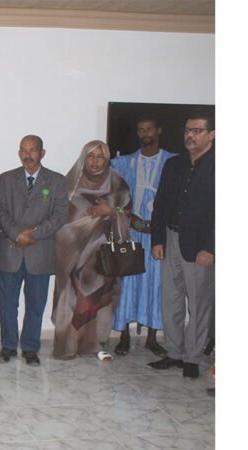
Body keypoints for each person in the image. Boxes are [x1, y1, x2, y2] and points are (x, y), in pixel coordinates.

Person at [51, 140, 133, 361]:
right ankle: (68, 345)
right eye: (91, 156)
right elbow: (58, 218)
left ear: (107, 160)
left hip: (102, 256)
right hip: (71, 254)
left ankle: (94, 344)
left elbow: (129, 216)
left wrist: (111, 211)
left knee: (96, 297)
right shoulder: (69, 183)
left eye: (100, 157)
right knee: (70, 298)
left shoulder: (117, 184)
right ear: (83, 158)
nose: (95, 161)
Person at [148, 112, 215, 379]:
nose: (190, 135)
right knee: (171, 301)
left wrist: (211, 248)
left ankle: (193, 357)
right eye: (188, 130)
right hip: (170, 239)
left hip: (200, 245)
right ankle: (174, 352)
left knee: (198, 305)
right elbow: (160, 204)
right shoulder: (174, 164)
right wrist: (157, 239)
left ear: (212, 134)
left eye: (197, 130)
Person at [0, 135, 68, 366]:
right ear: (19, 153)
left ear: (42, 153)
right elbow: (0, 211)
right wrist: (18, 234)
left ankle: (30, 348)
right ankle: (8, 346)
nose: (28, 155)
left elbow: (60, 215)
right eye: (24, 150)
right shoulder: (6, 179)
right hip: (11, 251)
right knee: (7, 305)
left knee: (35, 305)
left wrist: (32, 235)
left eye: (33, 150)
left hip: (40, 252)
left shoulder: (56, 180)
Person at [109, 116, 176, 357]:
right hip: (131, 234)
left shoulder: (173, 162)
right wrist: (128, 217)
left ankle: (152, 338)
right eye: (140, 130)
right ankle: (124, 336)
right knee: (127, 284)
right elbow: (113, 197)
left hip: (159, 235)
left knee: (156, 285)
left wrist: (158, 224)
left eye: (149, 129)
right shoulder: (123, 163)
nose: (145, 133)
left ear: (159, 130)